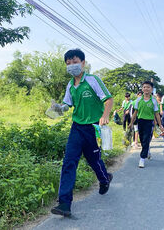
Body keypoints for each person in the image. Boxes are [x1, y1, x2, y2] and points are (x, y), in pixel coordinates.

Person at [51, 49, 113, 217]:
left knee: (94, 160)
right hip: (77, 127)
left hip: (93, 127)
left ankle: (104, 178)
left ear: (83, 63)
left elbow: (108, 99)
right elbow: (67, 105)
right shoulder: (70, 85)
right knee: (69, 162)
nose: (71, 66)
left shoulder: (93, 80)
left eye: (75, 62)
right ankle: (64, 203)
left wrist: (105, 116)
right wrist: (58, 108)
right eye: (68, 63)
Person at [129, 81, 164, 168]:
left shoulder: (154, 101)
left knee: (146, 139)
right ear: (142, 89)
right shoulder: (138, 100)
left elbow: (156, 114)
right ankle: (147, 150)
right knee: (142, 140)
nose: (146, 89)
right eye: (144, 87)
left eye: (148, 87)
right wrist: (131, 123)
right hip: (140, 121)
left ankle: (142, 159)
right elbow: (135, 113)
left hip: (149, 122)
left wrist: (160, 125)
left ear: (151, 89)